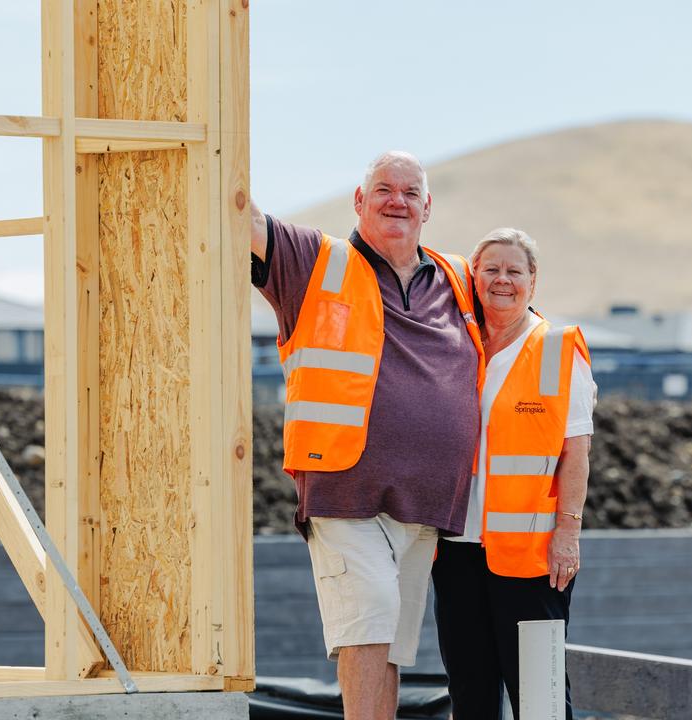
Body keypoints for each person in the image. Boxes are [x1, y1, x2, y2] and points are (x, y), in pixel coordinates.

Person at [249, 151, 483, 720]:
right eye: (382, 189)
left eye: (409, 192)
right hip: (344, 491)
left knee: (390, 643)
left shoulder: (458, 278)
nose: (395, 201)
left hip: (427, 504)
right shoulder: (315, 261)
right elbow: (241, 217)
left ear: (427, 207)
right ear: (359, 201)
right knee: (367, 624)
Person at [432, 228, 594, 719]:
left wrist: (568, 533)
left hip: (532, 559)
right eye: (491, 270)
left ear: (532, 281)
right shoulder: (454, 346)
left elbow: (576, 453)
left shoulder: (557, 348)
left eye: (514, 271)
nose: (503, 280)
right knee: (470, 693)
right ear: (473, 279)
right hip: (457, 552)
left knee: (539, 700)